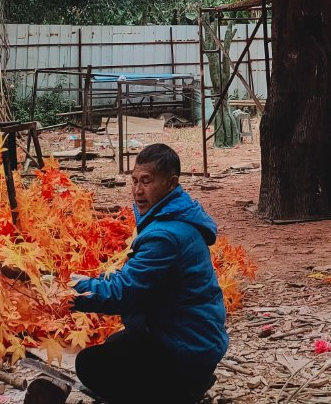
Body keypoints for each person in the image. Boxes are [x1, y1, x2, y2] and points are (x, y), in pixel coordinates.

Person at [71, 143, 228, 404]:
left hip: (188, 344)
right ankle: (186, 381)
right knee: (115, 344)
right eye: (134, 181)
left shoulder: (165, 236)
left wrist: (73, 294)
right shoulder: (173, 216)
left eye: (147, 181)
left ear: (171, 183)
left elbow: (125, 292)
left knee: (89, 364)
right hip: (193, 335)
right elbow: (135, 282)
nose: (137, 191)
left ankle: (180, 391)